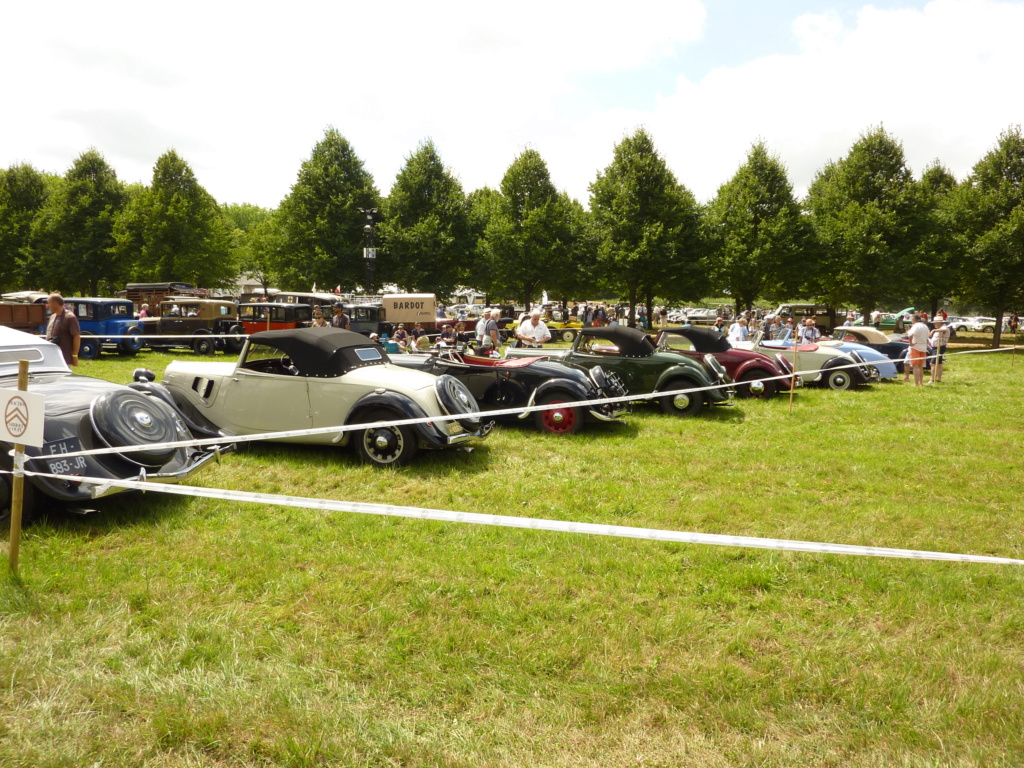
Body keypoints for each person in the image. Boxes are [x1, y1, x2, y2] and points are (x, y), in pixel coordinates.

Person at [45, 293, 81, 366]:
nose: (48, 306)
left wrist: (74, 355)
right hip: (51, 356)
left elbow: (76, 337)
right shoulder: (52, 317)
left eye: (49, 303)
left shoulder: (70, 317)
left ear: (55, 303)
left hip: (64, 358)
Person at [906, 313, 930, 387]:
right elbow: (927, 338)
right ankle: (921, 383)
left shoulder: (915, 326)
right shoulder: (925, 326)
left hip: (916, 347)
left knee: (915, 366)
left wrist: (910, 343)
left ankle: (916, 383)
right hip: (923, 347)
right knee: (920, 366)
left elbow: (910, 335)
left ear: (913, 319)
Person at [929, 318, 949, 383]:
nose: (934, 324)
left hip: (939, 347)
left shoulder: (943, 327)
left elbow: (945, 330)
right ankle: (938, 379)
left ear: (939, 323)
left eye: (935, 323)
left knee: (932, 363)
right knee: (939, 363)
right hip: (936, 347)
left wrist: (934, 330)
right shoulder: (939, 329)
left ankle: (932, 379)